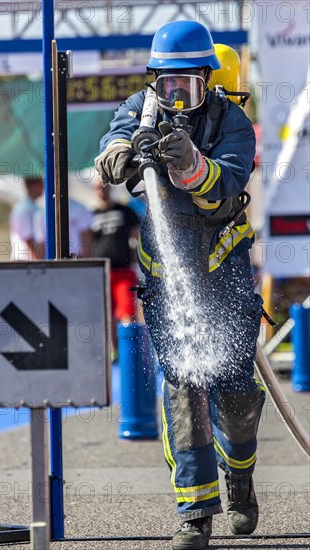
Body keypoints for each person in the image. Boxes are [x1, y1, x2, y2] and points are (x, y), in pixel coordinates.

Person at [95, 21, 265, 550]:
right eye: (166, 84)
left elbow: (228, 185)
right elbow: (113, 139)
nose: (174, 97)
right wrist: (117, 155)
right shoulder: (140, 108)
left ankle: (238, 476)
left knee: (235, 391)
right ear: (155, 80)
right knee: (183, 390)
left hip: (224, 271)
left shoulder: (232, 122)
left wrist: (192, 166)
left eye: (185, 85)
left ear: (206, 81)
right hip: (168, 276)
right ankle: (195, 514)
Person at [90, 177, 140, 359]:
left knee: (127, 310)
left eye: (104, 186)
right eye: (97, 188)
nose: (101, 190)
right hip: (101, 272)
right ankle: (114, 350)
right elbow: (87, 242)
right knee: (106, 313)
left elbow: (136, 236)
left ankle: (130, 351)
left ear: (109, 188)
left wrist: (136, 261)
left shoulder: (124, 210)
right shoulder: (91, 214)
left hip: (123, 269)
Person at [9, 177, 44, 260]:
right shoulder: (25, 208)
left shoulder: (29, 207)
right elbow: (27, 238)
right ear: (30, 185)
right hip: (25, 261)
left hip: (27, 261)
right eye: (40, 184)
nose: (43, 187)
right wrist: (38, 261)